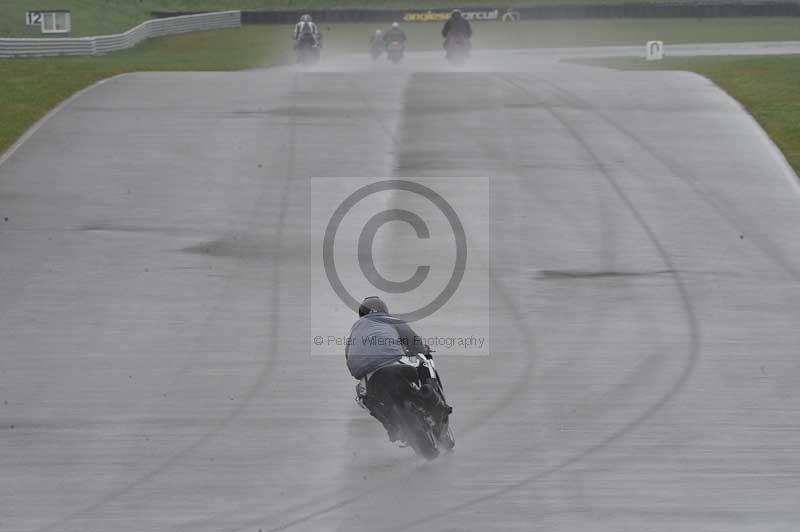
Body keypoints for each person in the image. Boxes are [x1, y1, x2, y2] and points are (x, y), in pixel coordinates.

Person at [345, 296, 429, 441]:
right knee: (423, 363)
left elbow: (348, 355)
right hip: (394, 364)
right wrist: (422, 351)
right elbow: (414, 342)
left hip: (368, 375)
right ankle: (430, 398)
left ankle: (391, 426)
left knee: (364, 398)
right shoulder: (389, 320)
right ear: (384, 310)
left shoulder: (355, 329)